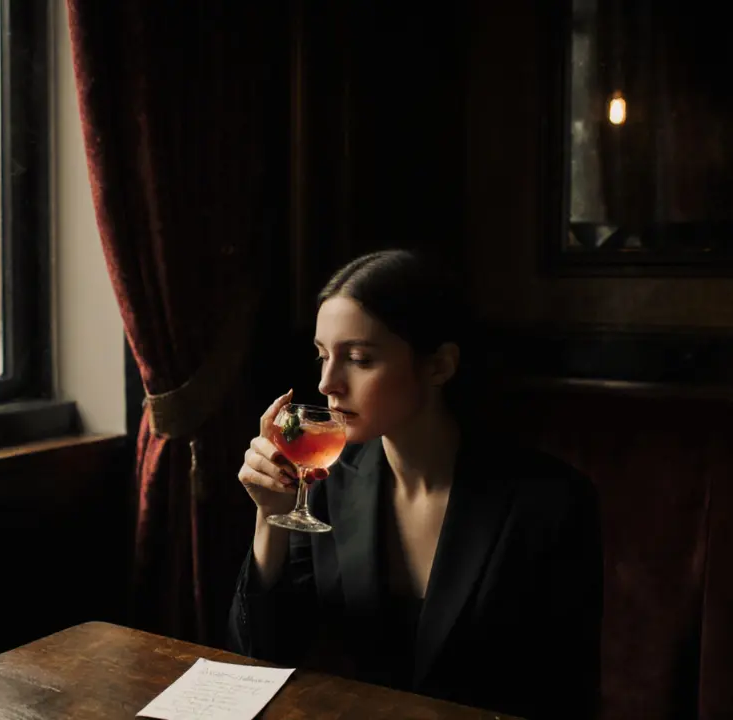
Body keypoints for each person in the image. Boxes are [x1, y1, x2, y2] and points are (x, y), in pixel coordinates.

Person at [227, 249, 603, 719]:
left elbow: (566, 693)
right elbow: (259, 655)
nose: (327, 383)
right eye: (322, 356)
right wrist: (270, 517)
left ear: (439, 366)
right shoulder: (324, 484)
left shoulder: (550, 503)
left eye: (359, 358)